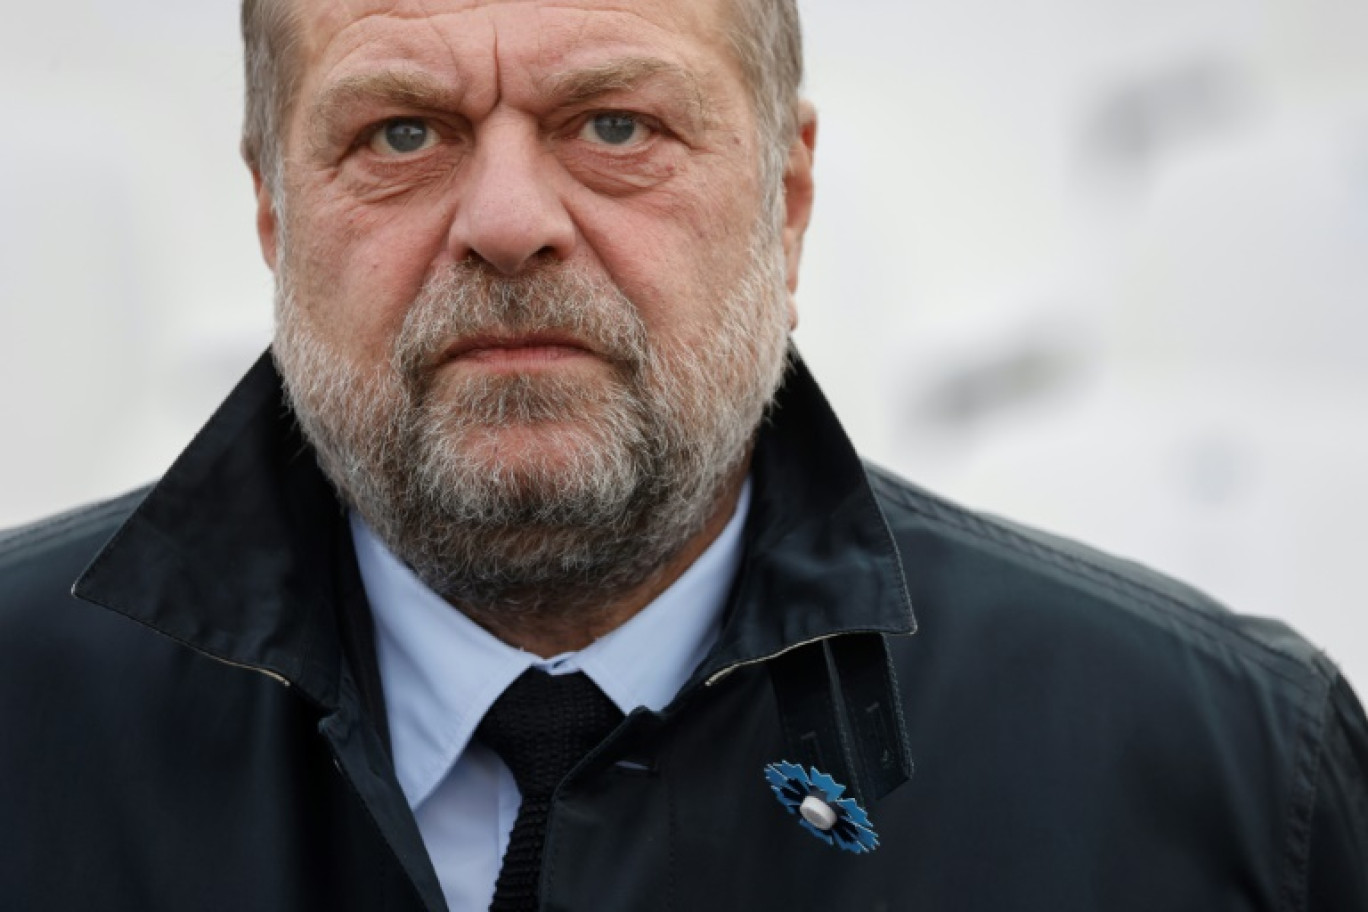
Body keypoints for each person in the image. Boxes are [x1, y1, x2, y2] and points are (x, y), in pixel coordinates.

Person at [0, 0, 1364, 908]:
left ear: (787, 200)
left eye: (615, 126)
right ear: (272, 216)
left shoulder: (1224, 781)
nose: (510, 220)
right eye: (403, 132)